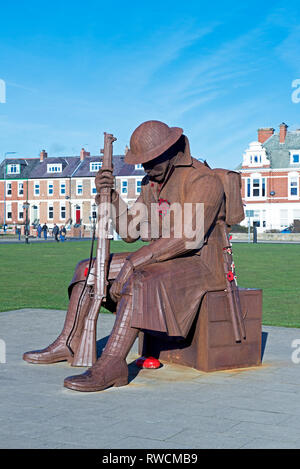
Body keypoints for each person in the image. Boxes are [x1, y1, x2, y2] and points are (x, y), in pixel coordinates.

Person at [23, 120, 244, 392]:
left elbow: (189, 236)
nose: (146, 168)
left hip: (202, 264)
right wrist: (112, 196)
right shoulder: (151, 183)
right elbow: (129, 230)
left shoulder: (203, 179)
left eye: (151, 161)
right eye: (143, 163)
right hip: (163, 259)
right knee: (87, 269)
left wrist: (135, 261)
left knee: (140, 277)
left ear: (172, 151)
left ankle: (113, 363)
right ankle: (69, 342)